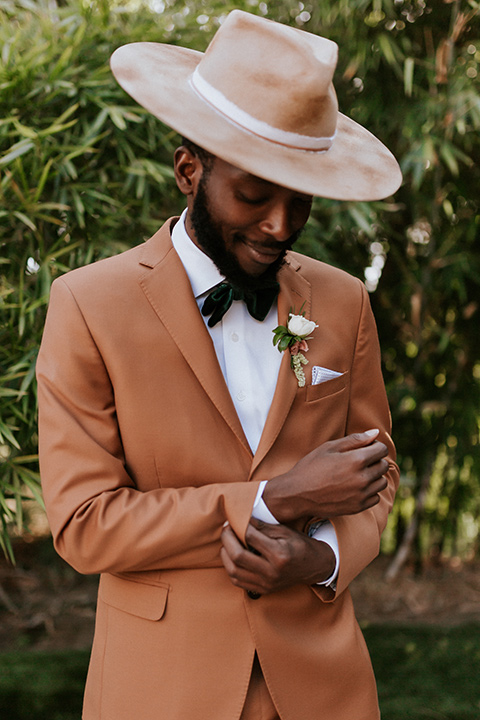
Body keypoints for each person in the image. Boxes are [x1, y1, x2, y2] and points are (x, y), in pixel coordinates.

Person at [36, 10, 402, 720]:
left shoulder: (344, 301)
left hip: (325, 688)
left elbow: (376, 476)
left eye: (301, 201)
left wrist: (321, 558)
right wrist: (278, 501)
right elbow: (84, 523)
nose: (280, 226)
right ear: (188, 170)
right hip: (159, 690)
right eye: (255, 194)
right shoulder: (87, 305)